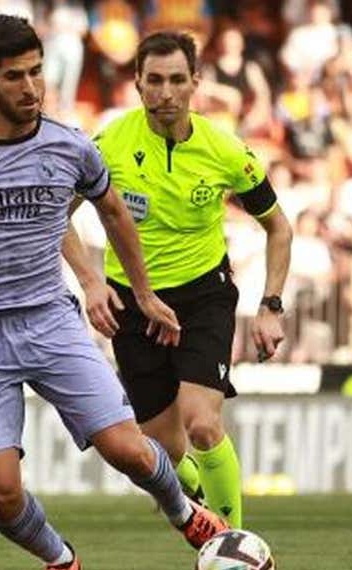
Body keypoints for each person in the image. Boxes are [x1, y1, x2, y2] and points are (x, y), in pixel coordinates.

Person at [0, 15, 228, 570]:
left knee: (128, 449)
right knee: (1, 493)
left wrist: (137, 292)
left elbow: (113, 212)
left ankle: (182, 511)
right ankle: (59, 559)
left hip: (50, 320)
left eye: (37, 71)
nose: (31, 87)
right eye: (15, 76)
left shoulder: (69, 145)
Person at [63, 31, 293, 530]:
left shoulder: (226, 151)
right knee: (159, 453)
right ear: (138, 85)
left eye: (175, 80)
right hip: (130, 302)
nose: (165, 93)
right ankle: (204, 514)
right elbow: (56, 215)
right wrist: (90, 283)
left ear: (195, 83)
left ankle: (232, 543)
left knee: (204, 425)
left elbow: (278, 227)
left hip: (202, 296)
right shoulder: (106, 146)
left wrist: (271, 304)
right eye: (154, 81)